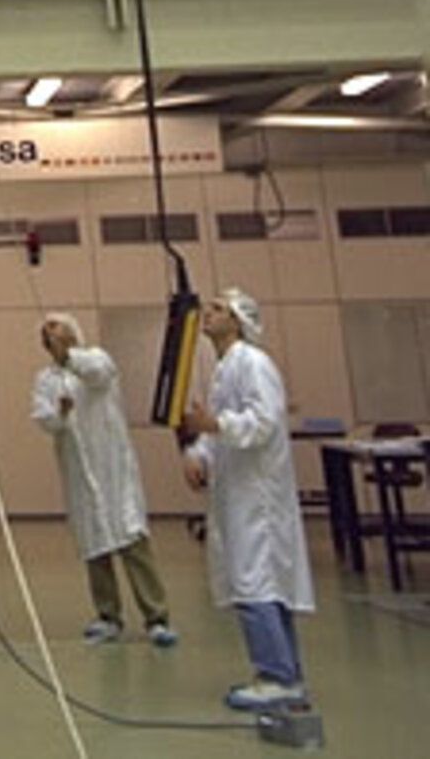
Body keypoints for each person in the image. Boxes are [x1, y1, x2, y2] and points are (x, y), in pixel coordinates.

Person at [179, 288, 315, 712]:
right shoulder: (223, 370)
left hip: (258, 497)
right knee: (259, 582)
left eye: (218, 308)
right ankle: (283, 674)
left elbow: (263, 423)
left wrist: (214, 424)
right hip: (236, 493)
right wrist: (197, 453)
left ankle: (278, 678)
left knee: (256, 582)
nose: (208, 312)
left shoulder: (254, 364)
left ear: (238, 320)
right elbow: (215, 428)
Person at [30, 312, 177, 647]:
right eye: (46, 331)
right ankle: (108, 616)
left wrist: (68, 356)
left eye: (56, 327)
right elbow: (43, 419)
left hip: (112, 469)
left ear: (73, 332)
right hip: (80, 472)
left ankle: (157, 617)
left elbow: (98, 376)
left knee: (131, 539)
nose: (49, 333)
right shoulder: (45, 379)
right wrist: (62, 413)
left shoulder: (96, 358)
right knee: (94, 546)